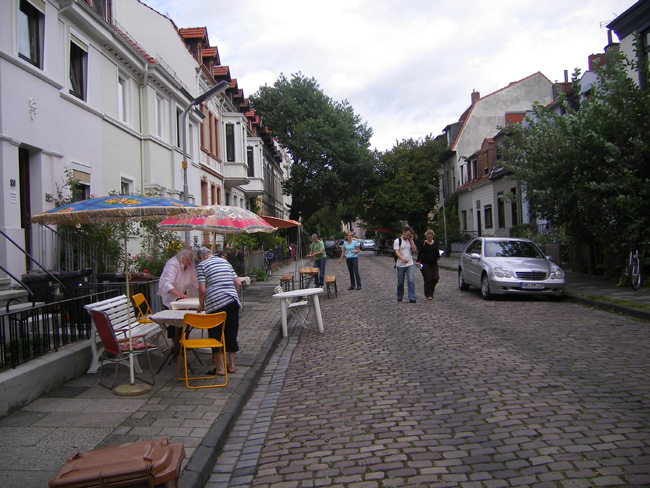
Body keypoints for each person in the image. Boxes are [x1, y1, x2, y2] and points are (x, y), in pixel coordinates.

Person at [195, 248, 242, 375]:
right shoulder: (225, 262)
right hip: (232, 301)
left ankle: (221, 368)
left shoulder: (201, 265)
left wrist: (201, 305)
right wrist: (233, 294)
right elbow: (238, 283)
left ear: (201, 257)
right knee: (231, 333)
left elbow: (203, 290)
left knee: (216, 335)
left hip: (215, 304)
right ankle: (231, 366)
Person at [394, 226, 417, 303]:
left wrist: (411, 240)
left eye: (409, 235)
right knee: (400, 281)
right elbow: (396, 251)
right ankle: (400, 296)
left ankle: (412, 296)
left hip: (410, 263)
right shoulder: (397, 241)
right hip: (400, 264)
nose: (407, 236)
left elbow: (414, 250)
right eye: (407, 235)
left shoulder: (409, 241)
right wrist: (402, 258)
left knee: (411, 280)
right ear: (403, 233)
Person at [416, 229, 440, 300]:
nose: (429, 238)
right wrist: (418, 261)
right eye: (428, 237)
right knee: (428, 279)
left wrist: (438, 256)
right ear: (426, 236)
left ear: (432, 236)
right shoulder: (423, 243)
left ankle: (431, 290)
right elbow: (420, 253)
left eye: (431, 237)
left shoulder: (435, 243)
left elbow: (436, 251)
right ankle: (429, 294)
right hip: (425, 263)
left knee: (435, 278)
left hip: (434, 263)